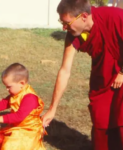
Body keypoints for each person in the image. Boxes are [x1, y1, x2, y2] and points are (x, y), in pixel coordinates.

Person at [42, 0, 123, 150]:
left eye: (67, 23)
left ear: (84, 16)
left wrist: (122, 72)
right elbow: (65, 71)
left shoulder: (115, 16)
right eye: (61, 22)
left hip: (121, 75)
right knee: (101, 120)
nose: (64, 27)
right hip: (102, 79)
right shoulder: (73, 35)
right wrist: (53, 108)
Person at [0, 63, 46, 150]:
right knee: (1, 139)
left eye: (9, 87)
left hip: (28, 130)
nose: (7, 89)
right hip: (18, 127)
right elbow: (4, 103)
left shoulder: (30, 98)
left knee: (11, 145)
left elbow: (19, 116)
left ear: (21, 83)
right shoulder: (16, 94)